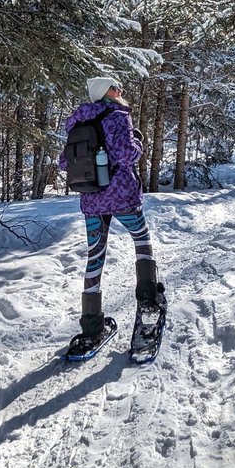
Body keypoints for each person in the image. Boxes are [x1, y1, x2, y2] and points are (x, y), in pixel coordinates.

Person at [60, 76, 165, 355]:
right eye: (115, 86)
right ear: (104, 93)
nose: (120, 90)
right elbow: (126, 153)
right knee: (141, 240)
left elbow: (63, 162)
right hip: (121, 194)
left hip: (92, 200)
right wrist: (138, 143)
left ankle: (91, 324)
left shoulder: (77, 121)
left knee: (95, 256)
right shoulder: (118, 116)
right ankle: (148, 298)